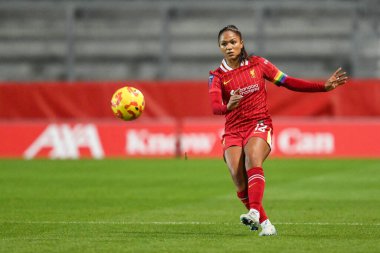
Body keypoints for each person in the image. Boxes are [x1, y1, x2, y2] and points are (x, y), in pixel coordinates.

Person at [208, 25, 348, 236]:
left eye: (233, 42)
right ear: (219, 47)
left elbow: (288, 81)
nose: (229, 47)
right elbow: (215, 107)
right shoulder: (217, 76)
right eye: (224, 44)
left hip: (259, 122)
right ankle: (266, 225)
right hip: (233, 130)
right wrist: (228, 107)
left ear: (241, 43)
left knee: (252, 159)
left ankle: (254, 211)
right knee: (237, 178)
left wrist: (322, 86)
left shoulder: (258, 64)